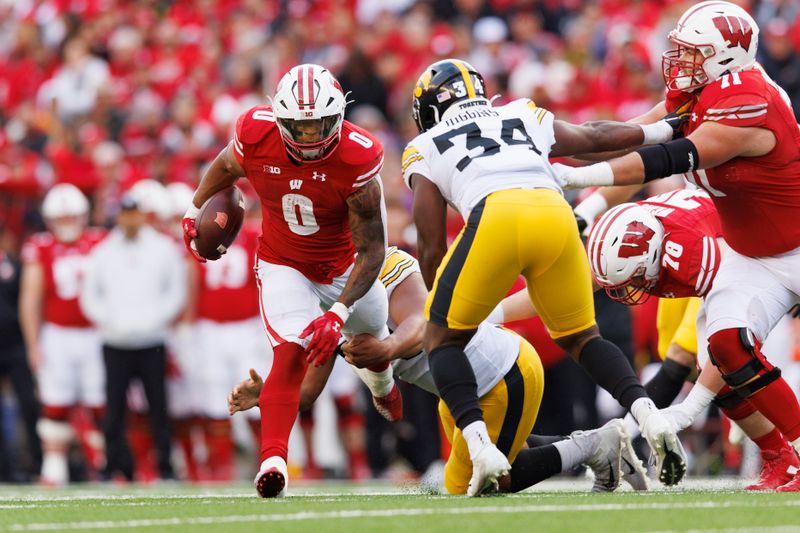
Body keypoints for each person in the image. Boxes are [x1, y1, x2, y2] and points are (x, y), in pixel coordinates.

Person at [403, 58, 686, 494]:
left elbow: (430, 241)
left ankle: (480, 446)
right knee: (583, 338)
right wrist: (664, 129)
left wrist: (440, 307)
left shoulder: (426, 144)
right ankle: (649, 413)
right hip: (555, 211)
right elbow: (594, 138)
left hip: (496, 215)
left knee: (441, 340)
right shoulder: (519, 111)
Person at [556, 1, 800, 491]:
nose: (679, 63)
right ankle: (785, 457)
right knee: (729, 346)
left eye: (693, 53)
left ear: (725, 56)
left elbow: (665, 157)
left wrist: (570, 175)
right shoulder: (703, 90)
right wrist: (542, 142)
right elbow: (629, 137)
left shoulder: (747, 100)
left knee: (726, 354)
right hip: (754, 253)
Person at [229, 246, 649, 494]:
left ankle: (596, 446)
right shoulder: (319, 295)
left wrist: (386, 347)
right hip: (458, 394)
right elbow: (306, 392)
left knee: (480, 483)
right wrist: (267, 393)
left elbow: (423, 323)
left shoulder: (383, 261)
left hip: (503, 372)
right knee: (492, 460)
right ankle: (597, 443)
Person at [183, 63, 401, 498]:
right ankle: (274, 462)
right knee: (288, 353)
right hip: (285, 262)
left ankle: (384, 384)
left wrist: (339, 313)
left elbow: (373, 250)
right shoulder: (256, 133)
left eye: (317, 125)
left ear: (338, 117)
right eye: (298, 127)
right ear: (279, 118)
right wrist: (194, 209)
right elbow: (227, 165)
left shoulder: (359, 156)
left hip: (345, 269)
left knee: (372, 345)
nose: (308, 137)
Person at [584, 188, 799, 491]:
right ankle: (778, 456)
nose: (629, 289)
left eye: (634, 278)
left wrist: (688, 411)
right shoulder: (632, 231)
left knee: (722, 357)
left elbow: (728, 338)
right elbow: (574, 287)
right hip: (713, 242)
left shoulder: (691, 253)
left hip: (755, 251)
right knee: (707, 366)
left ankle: (626, 440)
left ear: (654, 254)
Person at [80, 194, 186, 481]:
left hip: (152, 339)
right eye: (124, 213)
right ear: (118, 217)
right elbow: (90, 295)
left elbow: (175, 291)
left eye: (134, 213)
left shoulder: (162, 249)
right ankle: (114, 466)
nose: (129, 219)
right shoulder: (103, 251)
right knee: (114, 409)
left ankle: (165, 467)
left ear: (142, 215)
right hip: (115, 341)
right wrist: (110, 321)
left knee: (158, 407)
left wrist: (155, 320)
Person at [19, 184, 106, 485]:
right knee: (55, 402)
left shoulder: (99, 241)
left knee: (100, 403)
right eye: (61, 218)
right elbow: (31, 298)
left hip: (96, 332)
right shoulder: (41, 246)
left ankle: (102, 464)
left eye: (72, 217)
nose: (67, 223)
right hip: (57, 333)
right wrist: (33, 343)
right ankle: (54, 467)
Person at [0, 231, 42, 481]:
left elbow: (27, 304)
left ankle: (37, 463)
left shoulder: (13, 266)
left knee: (28, 404)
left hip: (15, 345)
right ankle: (4, 468)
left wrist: (31, 344)